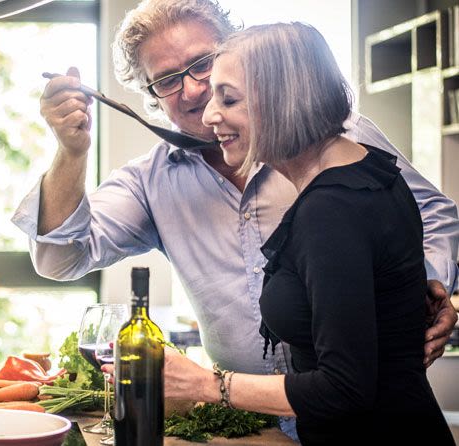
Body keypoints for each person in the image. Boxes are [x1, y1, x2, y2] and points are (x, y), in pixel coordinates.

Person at [11, 0, 459, 440]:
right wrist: (71, 153)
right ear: (150, 95)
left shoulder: (334, 140)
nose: (192, 91)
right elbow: (60, 259)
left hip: (358, 418)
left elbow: (433, 216)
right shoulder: (149, 183)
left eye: (202, 64)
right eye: (166, 80)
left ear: (233, 50)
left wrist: (416, 294)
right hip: (253, 423)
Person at [159, 21, 454, 445]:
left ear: (281, 99)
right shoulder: (370, 167)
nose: (210, 115)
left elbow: (344, 389)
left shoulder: (329, 211)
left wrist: (210, 386)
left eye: (230, 99)